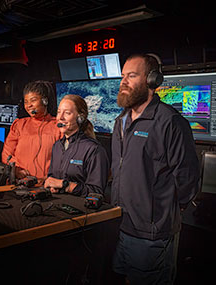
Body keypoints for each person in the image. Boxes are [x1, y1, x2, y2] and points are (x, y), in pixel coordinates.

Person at [111, 54, 200, 284]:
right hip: (119, 225)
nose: (123, 82)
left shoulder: (170, 122)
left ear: (152, 80)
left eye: (131, 76)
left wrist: (164, 212)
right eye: (123, 76)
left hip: (151, 234)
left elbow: (188, 178)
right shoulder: (120, 121)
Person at [44, 94, 109, 197]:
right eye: (59, 112)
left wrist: (65, 185)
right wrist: (51, 185)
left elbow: (96, 191)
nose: (60, 118)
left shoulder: (94, 149)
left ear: (80, 118)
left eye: (67, 113)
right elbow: (52, 177)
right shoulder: (57, 146)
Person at [1, 80, 61, 180]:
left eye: (33, 100)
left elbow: (64, 159)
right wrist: (17, 171)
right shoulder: (19, 125)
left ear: (44, 101)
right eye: (26, 102)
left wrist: (51, 178)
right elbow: (7, 154)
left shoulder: (58, 127)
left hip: (47, 186)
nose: (29, 105)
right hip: (20, 183)